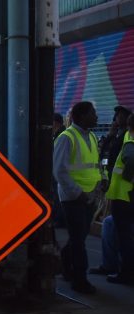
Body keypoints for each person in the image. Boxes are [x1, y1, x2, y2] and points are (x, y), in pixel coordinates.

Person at [53, 101, 107, 293]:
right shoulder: (66, 138)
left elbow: (96, 164)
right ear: (82, 116)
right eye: (93, 113)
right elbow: (59, 171)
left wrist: (102, 181)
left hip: (90, 196)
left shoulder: (91, 136)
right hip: (73, 198)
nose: (97, 117)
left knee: (79, 236)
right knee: (78, 239)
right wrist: (78, 193)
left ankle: (67, 268)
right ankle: (79, 279)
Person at [104, 113, 134, 285]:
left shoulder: (130, 142)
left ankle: (126, 273)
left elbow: (130, 160)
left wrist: (129, 178)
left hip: (124, 197)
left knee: (124, 237)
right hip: (129, 197)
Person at [100, 105, 131, 178]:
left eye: (122, 114)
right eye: (117, 114)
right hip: (109, 175)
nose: (119, 117)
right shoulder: (114, 135)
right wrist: (110, 136)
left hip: (121, 176)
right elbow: (104, 153)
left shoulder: (128, 135)